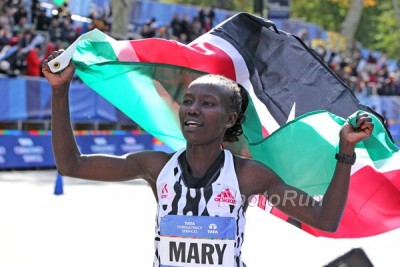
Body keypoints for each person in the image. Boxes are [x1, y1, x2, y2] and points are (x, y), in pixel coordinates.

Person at [42, 50, 374, 267]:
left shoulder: (248, 176)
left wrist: (345, 152)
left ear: (230, 119)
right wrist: (60, 91)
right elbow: (72, 165)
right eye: (188, 101)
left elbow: (324, 218)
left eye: (208, 104)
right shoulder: (156, 167)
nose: (193, 110)